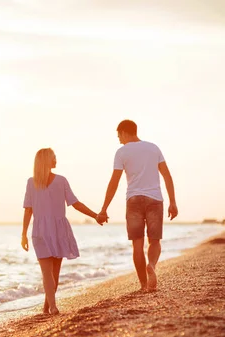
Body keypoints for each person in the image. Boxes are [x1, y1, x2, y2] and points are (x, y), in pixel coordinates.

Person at [97, 119, 178, 291]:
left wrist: (104, 208)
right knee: (154, 240)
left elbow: (114, 182)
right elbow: (167, 176)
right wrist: (173, 201)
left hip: (133, 200)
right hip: (155, 199)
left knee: (137, 244)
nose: (118, 139)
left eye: (119, 135)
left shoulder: (121, 152)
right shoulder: (153, 148)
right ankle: (152, 266)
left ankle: (143, 285)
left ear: (125, 132)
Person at [21, 148, 103, 315]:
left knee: (52, 273)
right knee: (49, 273)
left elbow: (75, 203)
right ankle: (52, 307)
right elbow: (28, 210)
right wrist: (23, 234)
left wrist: (95, 215)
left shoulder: (58, 181)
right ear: (46, 161)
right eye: (53, 157)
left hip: (53, 230)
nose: (56, 160)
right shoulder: (32, 182)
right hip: (45, 231)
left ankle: (47, 307)